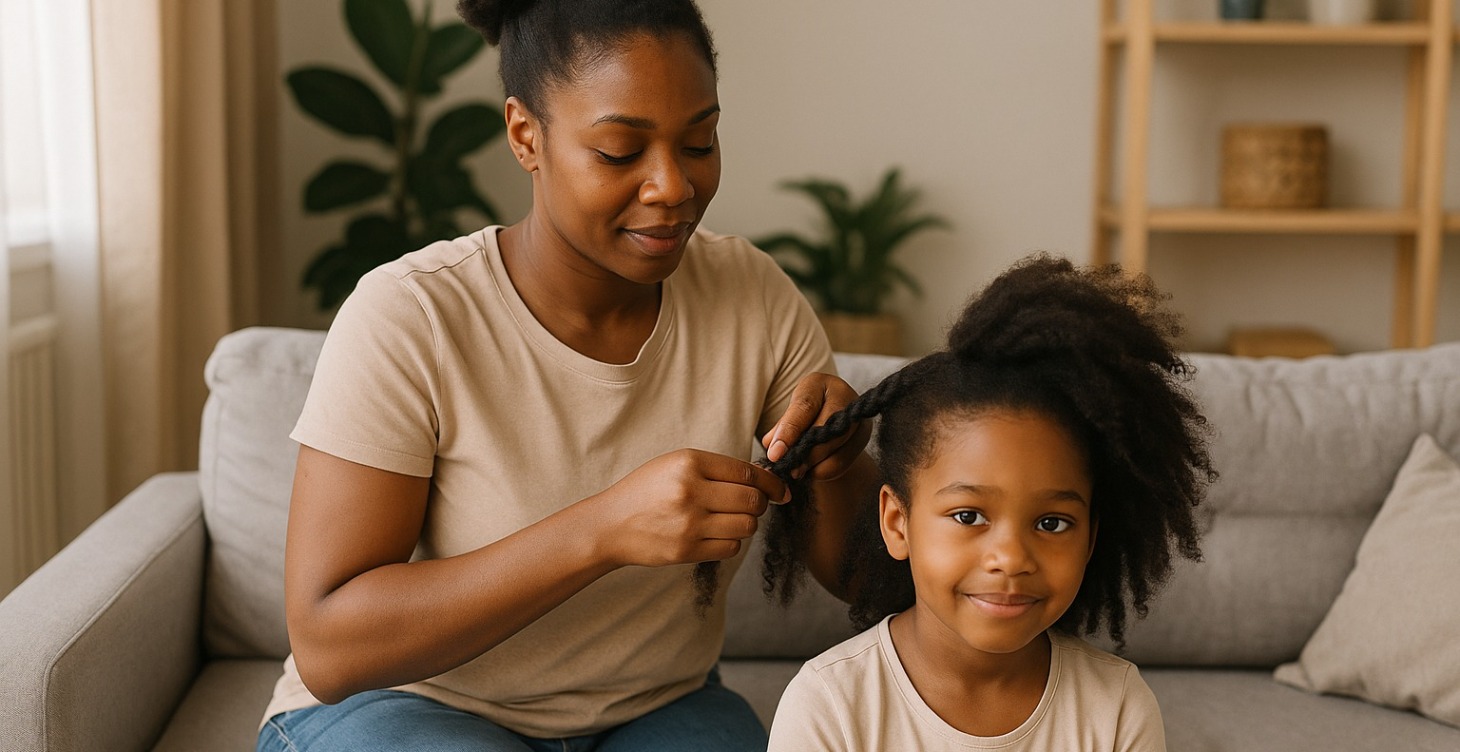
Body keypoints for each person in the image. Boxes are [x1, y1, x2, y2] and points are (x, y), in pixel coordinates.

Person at [255, 1, 879, 750]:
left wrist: (841, 465)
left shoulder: (750, 294)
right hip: (404, 706)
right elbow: (329, 645)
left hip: (658, 706)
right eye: (620, 151)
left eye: (700, 141)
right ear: (527, 135)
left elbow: (859, 579)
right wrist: (603, 530)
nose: (672, 186)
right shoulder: (412, 315)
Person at [762, 256, 1215, 751]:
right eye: (969, 516)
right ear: (897, 522)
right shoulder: (829, 704)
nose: (1011, 558)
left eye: (1052, 522)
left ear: (1091, 538)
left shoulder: (1117, 709)